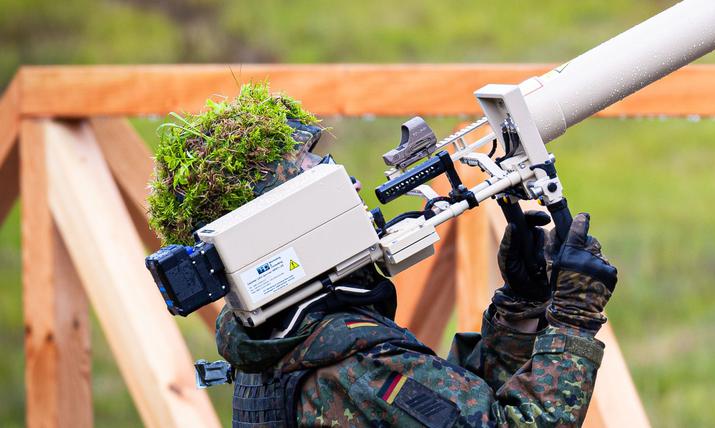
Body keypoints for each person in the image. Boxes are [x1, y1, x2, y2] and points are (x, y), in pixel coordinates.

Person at [149, 84, 619, 427]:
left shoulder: (283, 338)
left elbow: (467, 412)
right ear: (278, 226)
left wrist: (522, 303)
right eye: (322, 178)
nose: (351, 184)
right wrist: (573, 318)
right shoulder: (356, 369)